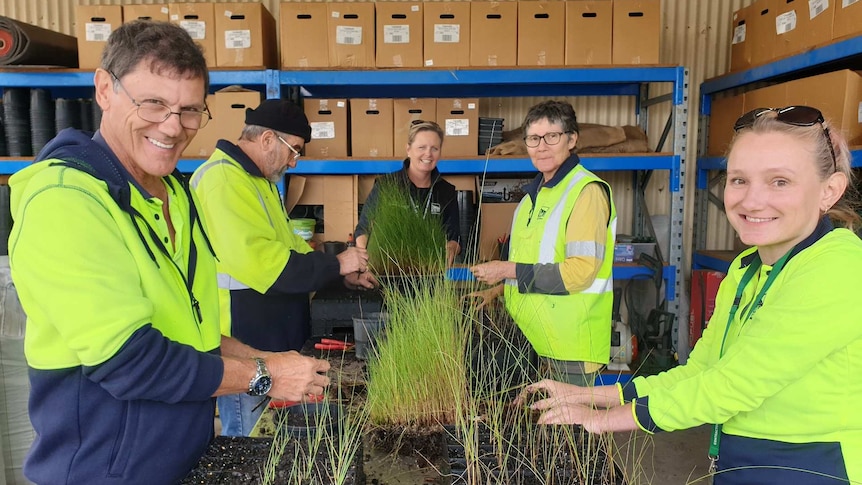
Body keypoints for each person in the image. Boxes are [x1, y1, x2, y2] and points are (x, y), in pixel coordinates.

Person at [7, 21, 331, 485]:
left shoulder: (177, 194)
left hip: (181, 458)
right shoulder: (65, 201)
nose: (173, 127)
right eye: (153, 103)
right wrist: (262, 375)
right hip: (107, 472)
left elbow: (188, 332)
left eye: (190, 110)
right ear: (104, 89)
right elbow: (131, 362)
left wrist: (265, 357)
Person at [521, 105, 862, 484]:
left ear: (829, 191)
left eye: (780, 181)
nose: (751, 200)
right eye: (738, 180)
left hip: (813, 468)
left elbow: (731, 386)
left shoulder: (839, 268)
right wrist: (589, 395)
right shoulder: (748, 267)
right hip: (741, 459)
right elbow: (700, 373)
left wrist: (604, 421)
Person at [190, 99, 374, 437]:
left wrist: (338, 273)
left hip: (271, 332)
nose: (294, 160)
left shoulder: (256, 180)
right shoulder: (223, 182)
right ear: (268, 139)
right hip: (244, 336)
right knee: (253, 437)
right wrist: (337, 262)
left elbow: (290, 247)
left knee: (283, 440)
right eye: (295, 150)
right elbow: (268, 266)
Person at [470, 100, 617, 387]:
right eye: (534, 139)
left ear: (571, 139)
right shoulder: (530, 199)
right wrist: (500, 290)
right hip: (535, 341)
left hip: (570, 345)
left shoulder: (585, 193)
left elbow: (580, 272)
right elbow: (539, 263)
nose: (542, 146)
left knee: (569, 430)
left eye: (552, 137)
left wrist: (506, 270)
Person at [355, 120, 461, 266]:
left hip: (430, 273)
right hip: (387, 272)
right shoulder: (386, 185)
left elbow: (454, 236)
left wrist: (451, 248)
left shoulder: (447, 191)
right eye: (421, 147)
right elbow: (363, 228)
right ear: (408, 149)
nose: (428, 154)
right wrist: (364, 260)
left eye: (434, 148)